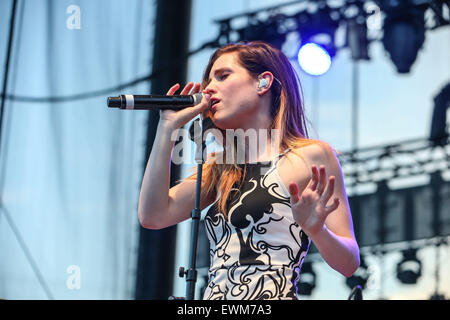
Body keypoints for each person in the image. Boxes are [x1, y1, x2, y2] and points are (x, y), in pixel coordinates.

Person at [138, 41, 360, 300]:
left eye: (223, 76)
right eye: (209, 79)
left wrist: (317, 230)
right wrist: (167, 127)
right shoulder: (220, 168)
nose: (209, 88)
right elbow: (153, 215)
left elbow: (349, 263)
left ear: (263, 83)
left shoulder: (308, 156)